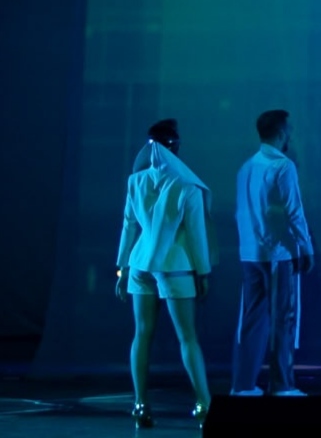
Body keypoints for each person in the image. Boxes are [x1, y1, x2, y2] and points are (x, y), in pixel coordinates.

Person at [117, 119, 213, 427]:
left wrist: (122, 267)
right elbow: (196, 235)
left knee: (142, 334)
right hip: (175, 266)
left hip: (139, 263)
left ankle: (140, 404)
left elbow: (128, 226)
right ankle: (204, 403)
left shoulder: (136, 181)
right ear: (175, 147)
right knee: (187, 338)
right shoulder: (187, 186)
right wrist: (203, 272)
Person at [230, 109, 315, 398]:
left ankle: (243, 384)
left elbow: (241, 212)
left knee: (252, 320)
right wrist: (305, 247)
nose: (291, 135)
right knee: (283, 319)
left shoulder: (246, 167)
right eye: (288, 130)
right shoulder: (283, 166)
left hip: (250, 254)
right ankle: (282, 384)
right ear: (281, 133)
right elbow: (294, 211)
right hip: (277, 253)